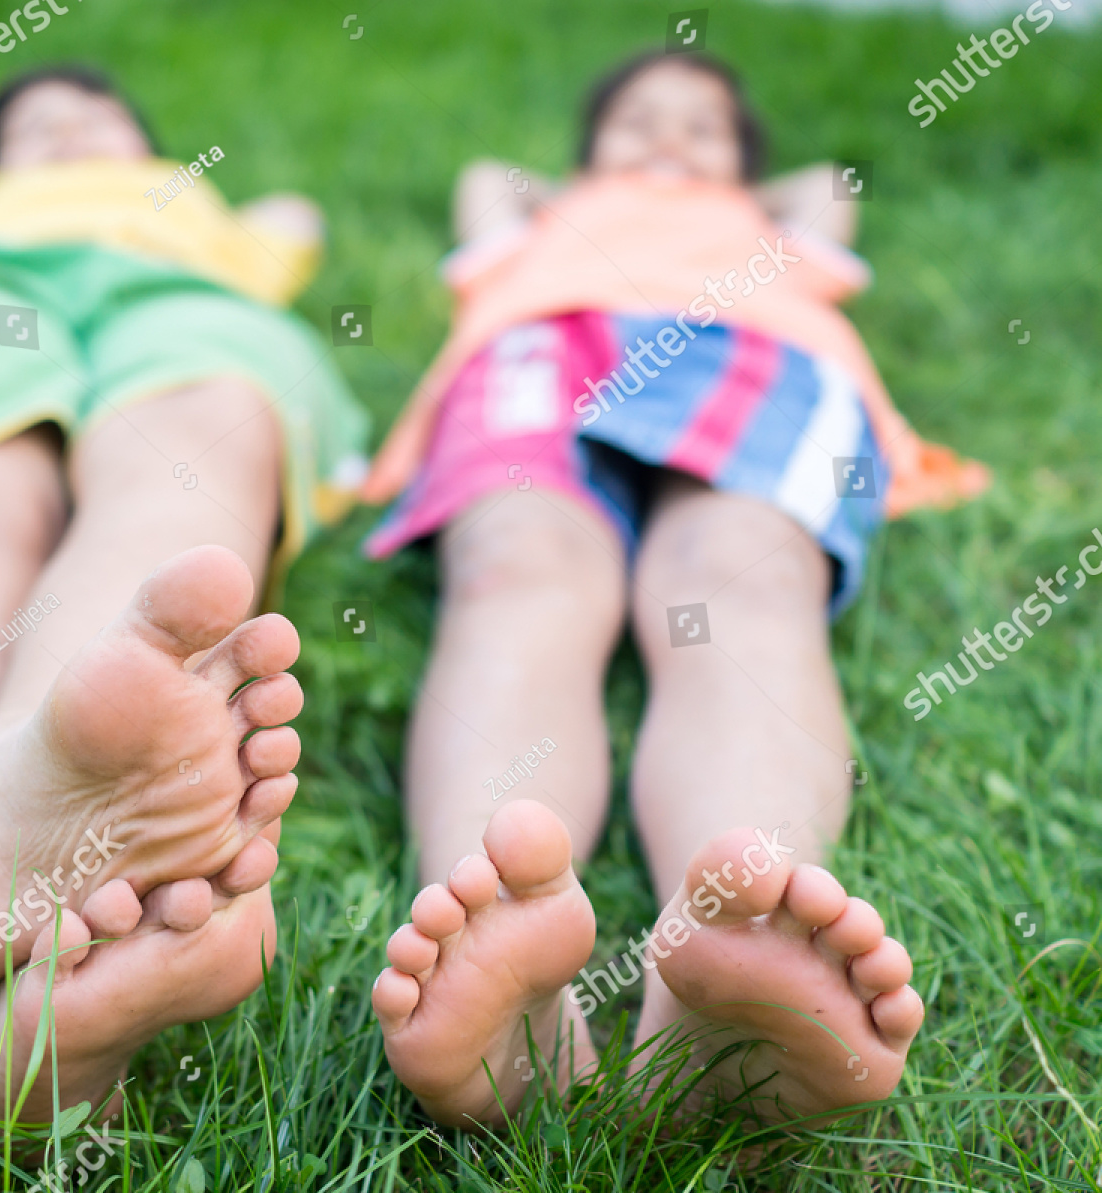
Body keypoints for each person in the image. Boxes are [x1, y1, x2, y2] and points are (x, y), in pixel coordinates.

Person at [362, 51, 987, 1131]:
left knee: (737, 583)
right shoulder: (538, 226)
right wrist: (604, 188)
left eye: (704, 127)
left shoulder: (777, 235)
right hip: (545, 340)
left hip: (755, 344)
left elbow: (828, 186)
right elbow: (492, 181)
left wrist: (721, 188)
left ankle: (737, 950)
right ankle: (501, 951)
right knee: (520, 570)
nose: (667, 139)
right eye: (635, 121)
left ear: (746, 169)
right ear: (581, 158)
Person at [0, 66, 368, 1127]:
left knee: (190, 444)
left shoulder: (211, 224)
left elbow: (293, 216)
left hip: (178, 305)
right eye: (29, 131)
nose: (65, 133)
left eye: (96, 119)